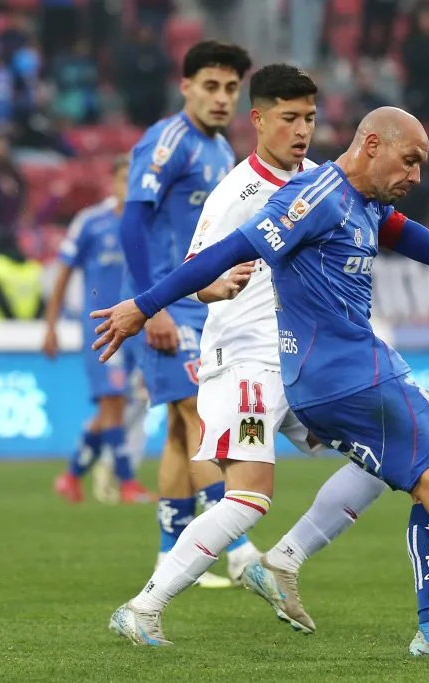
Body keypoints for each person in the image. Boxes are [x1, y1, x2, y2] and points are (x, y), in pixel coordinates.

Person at [94, 105, 429, 648]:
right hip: (339, 375)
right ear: (371, 145)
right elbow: (229, 250)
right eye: (409, 160)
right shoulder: (314, 198)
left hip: (349, 369)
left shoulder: (366, 204)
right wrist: (144, 306)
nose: (416, 176)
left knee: (427, 474)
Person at [119, 40, 256, 587]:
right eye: (211, 86)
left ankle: (170, 558)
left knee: (181, 432)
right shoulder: (168, 141)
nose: (222, 98)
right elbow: (133, 221)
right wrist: (151, 305)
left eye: (231, 88)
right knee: (201, 418)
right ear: (186, 87)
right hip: (162, 304)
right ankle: (238, 548)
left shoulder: (220, 150)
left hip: (198, 303)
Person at [45, 155, 152, 505]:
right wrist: (51, 326)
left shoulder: (150, 221)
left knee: (116, 407)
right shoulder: (91, 222)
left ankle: (71, 476)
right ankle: (127, 483)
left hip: (137, 328)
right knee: (113, 401)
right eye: (123, 178)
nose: (128, 186)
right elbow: (62, 274)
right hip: (101, 328)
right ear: (112, 181)